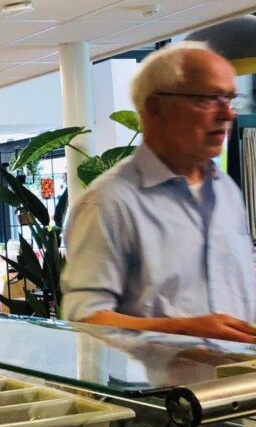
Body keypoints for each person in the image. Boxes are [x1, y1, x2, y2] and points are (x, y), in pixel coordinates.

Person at [62, 42, 256, 343]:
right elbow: (85, 319)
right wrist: (183, 331)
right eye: (208, 99)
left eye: (230, 99)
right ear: (155, 107)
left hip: (238, 373)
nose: (227, 114)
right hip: (158, 376)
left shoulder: (226, 190)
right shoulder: (109, 202)